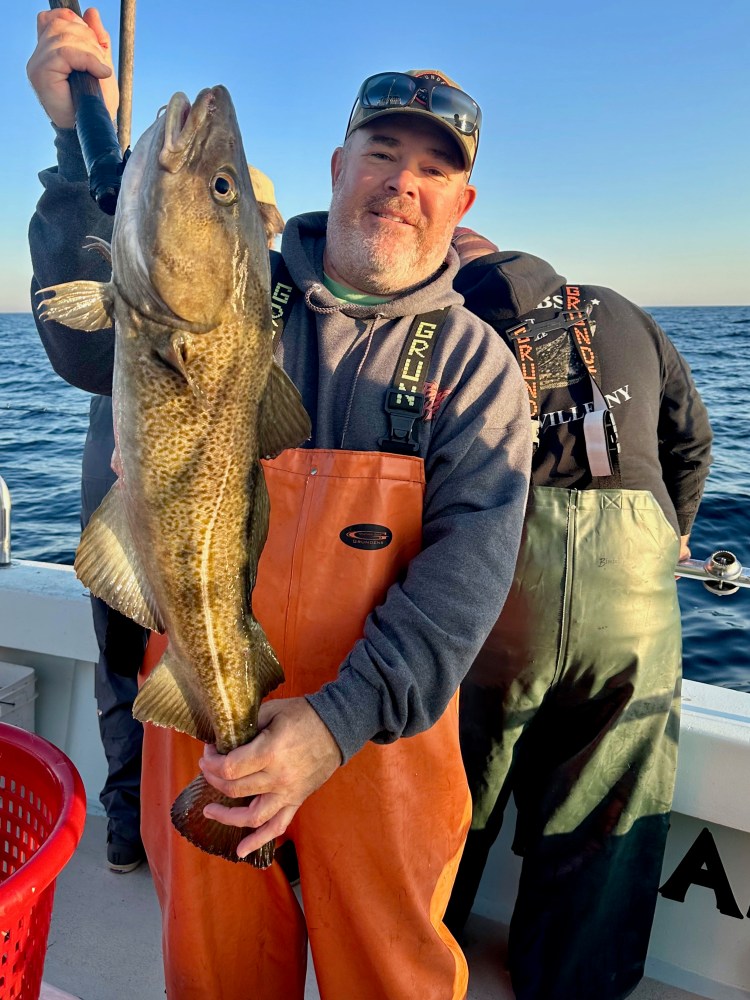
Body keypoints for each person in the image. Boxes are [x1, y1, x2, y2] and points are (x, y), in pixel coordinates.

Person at [27, 10, 532, 999]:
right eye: (383, 152)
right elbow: (87, 345)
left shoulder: (476, 369)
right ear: (338, 166)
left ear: (459, 198)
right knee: (215, 975)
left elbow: (462, 590)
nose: (402, 183)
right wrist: (68, 140)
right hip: (206, 708)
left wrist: (333, 724)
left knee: (390, 976)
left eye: (431, 171)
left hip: (374, 746)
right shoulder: (239, 295)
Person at [26, 7, 287, 876]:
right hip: (133, 515)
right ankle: (127, 820)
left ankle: (225, 812)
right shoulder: (137, 289)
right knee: (116, 675)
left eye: (229, 199)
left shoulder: (272, 313)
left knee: (180, 668)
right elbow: (72, 334)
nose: (235, 211)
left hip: (208, 547)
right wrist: (75, 134)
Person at [443, 227, 713, 999]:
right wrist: (673, 533)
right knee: (606, 790)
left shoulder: (451, 325)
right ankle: (569, 980)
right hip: (633, 590)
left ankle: (421, 955)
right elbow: (691, 437)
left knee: (457, 783)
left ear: (455, 267)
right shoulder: (625, 311)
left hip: (499, 587)